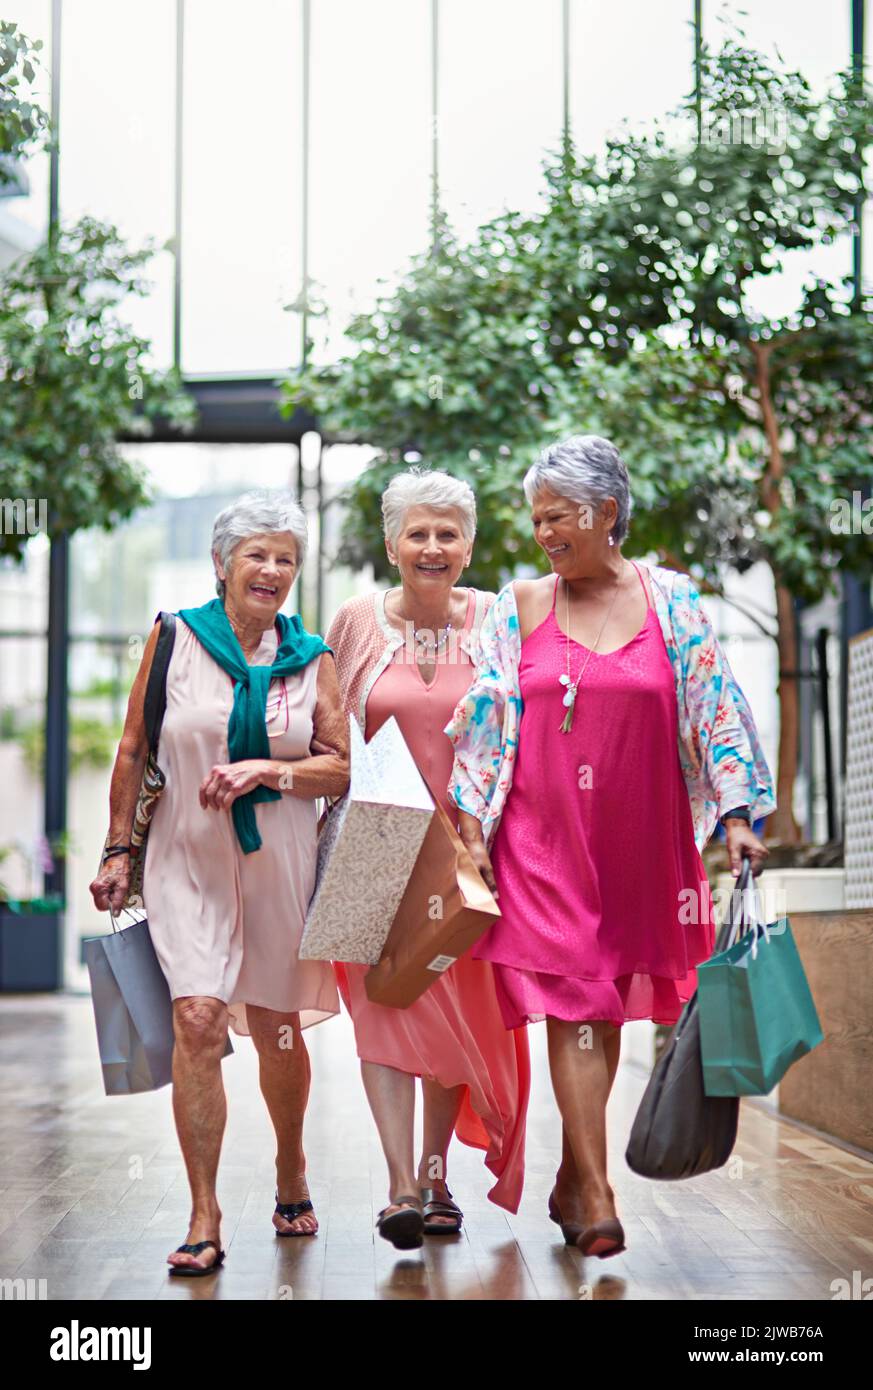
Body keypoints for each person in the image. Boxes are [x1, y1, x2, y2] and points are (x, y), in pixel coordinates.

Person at [446, 435, 775, 1259]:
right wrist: (471, 831)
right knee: (574, 1001)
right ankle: (594, 1191)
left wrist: (737, 814)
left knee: (605, 999)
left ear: (605, 513)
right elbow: (487, 720)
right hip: (542, 838)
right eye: (536, 519)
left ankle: (571, 1173)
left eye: (557, 517)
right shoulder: (518, 604)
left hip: (637, 841)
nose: (543, 534)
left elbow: (714, 703)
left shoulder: (671, 601)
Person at [89, 490, 349, 1275]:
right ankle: (204, 1214)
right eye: (257, 555)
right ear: (222, 564)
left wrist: (269, 768)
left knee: (274, 1027)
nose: (271, 570)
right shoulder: (174, 637)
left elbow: (339, 764)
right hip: (185, 858)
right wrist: (114, 852)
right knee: (198, 1018)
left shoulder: (312, 660)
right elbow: (135, 749)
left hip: (279, 861)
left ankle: (291, 1168)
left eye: (286, 559)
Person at [325, 467, 530, 1249]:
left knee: (454, 1019)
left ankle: (438, 1177)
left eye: (448, 533)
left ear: (469, 544)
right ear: (390, 543)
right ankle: (400, 1187)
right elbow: (329, 728)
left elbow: (521, 732)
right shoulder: (355, 619)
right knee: (382, 1012)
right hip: (371, 842)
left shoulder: (496, 621)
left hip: (467, 853)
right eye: (418, 532)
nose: (433, 546)